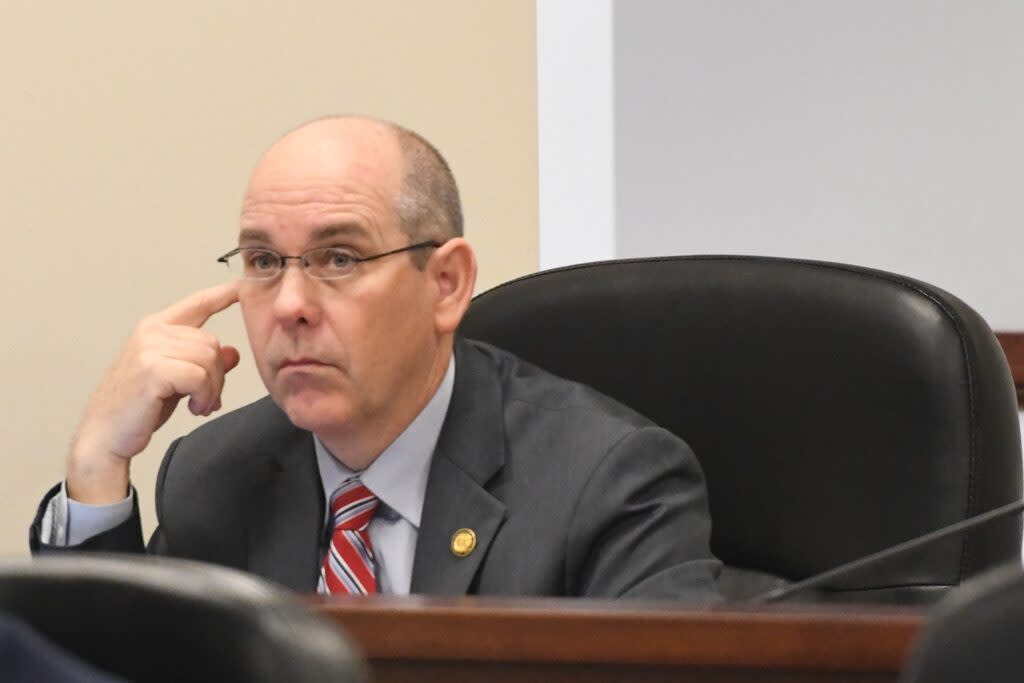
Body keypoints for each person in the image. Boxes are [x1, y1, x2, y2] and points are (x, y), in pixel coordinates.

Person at [31, 116, 721, 601]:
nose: (291, 303)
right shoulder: (216, 475)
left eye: (340, 258)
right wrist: (96, 465)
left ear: (445, 284)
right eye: (265, 261)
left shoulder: (607, 483)